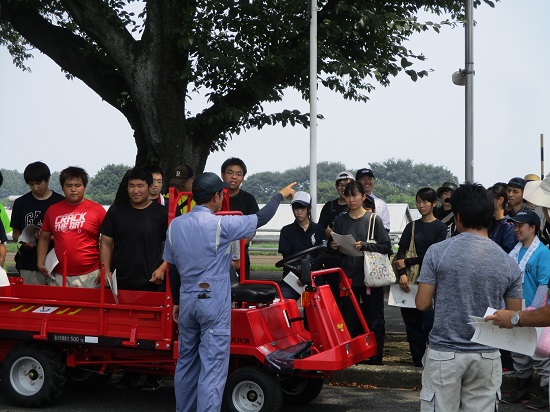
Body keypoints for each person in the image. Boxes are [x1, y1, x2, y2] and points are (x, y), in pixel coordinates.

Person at [163, 172, 295, 412]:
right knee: (212, 367)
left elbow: (172, 268)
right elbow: (261, 217)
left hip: (187, 299)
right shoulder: (220, 224)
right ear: (217, 196)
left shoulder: (175, 225)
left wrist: (177, 302)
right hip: (212, 301)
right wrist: (279, 195)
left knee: (186, 362)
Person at [415, 182, 522, 412]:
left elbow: (422, 303)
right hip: (487, 354)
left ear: (458, 217)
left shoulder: (438, 252)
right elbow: (514, 314)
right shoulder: (508, 262)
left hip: (445, 353)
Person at [331, 181, 392, 365]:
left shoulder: (374, 220)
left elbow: (386, 246)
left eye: (355, 195)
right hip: (348, 277)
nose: (351, 199)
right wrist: (333, 245)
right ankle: (355, 356)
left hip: (370, 277)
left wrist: (364, 245)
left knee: (374, 318)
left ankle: (375, 358)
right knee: (350, 318)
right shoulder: (341, 221)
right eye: (348, 196)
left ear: (363, 197)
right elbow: (333, 248)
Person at [502, 210, 550, 408]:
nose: (516, 229)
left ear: (533, 228)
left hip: (535, 312)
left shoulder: (543, 252)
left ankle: (547, 394)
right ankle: (523, 390)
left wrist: (532, 311)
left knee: (541, 356)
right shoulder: (515, 250)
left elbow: (544, 284)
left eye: (520, 225)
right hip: (516, 309)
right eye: (514, 225)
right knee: (518, 352)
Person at [394, 188, 447, 367]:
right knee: (412, 324)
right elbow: (400, 252)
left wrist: (407, 262)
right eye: (418, 201)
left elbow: (434, 255)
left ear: (434, 204)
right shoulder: (412, 226)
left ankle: (432, 360)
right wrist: (401, 274)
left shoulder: (440, 227)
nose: (421, 205)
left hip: (430, 280)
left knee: (429, 323)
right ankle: (417, 360)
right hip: (409, 281)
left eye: (425, 201)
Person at [100, 167, 168, 292]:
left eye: (140, 186)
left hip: (152, 282)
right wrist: (106, 270)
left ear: (149, 186)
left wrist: (163, 269)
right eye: (131, 186)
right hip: (119, 282)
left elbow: (174, 246)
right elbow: (105, 243)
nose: (135, 190)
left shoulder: (162, 213)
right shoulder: (116, 210)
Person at [37, 166, 106, 288]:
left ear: (84, 187)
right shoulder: (52, 210)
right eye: (69, 186)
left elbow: (108, 241)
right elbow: (44, 237)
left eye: (78, 185)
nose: (73, 189)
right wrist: (40, 262)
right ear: (62, 188)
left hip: (90, 275)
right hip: (58, 275)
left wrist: (104, 268)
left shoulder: (97, 210)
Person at [10, 161, 65, 285]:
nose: (35, 188)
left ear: (48, 179)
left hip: (56, 264)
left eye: (39, 183)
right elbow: (15, 233)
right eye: (31, 184)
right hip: (29, 264)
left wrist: (48, 237)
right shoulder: (20, 203)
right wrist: (23, 240)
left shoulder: (60, 202)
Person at [278, 191, 325, 300]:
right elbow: (286, 257)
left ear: (308, 209)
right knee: (283, 302)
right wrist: (301, 275)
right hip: (292, 276)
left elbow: (321, 255)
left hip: (314, 275)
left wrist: (307, 275)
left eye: (302, 209)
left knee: (321, 307)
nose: (299, 212)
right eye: (296, 209)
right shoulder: (286, 231)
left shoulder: (318, 229)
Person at [317, 171, 353, 300]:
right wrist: (327, 236)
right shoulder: (330, 206)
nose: (344, 188)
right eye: (341, 185)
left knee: (351, 294)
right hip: (333, 256)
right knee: (334, 293)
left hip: (352, 258)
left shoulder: (357, 206)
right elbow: (319, 230)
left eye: (348, 185)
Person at [221, 157, 259, 277]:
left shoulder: (248, 199)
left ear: (242, 178)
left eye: (239, 174)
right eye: (230, 173)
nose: (234, 177)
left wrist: (239, 247)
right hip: (214, 255)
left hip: (240, 257)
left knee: (240, 292)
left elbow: (253, 228)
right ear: (222, 175)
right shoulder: (214, 197)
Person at [487, 183, 517, 253]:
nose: (487, 203)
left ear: (500, 200)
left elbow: (509, 251)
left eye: (489, 199)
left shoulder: (509, 225)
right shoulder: (490, 222)